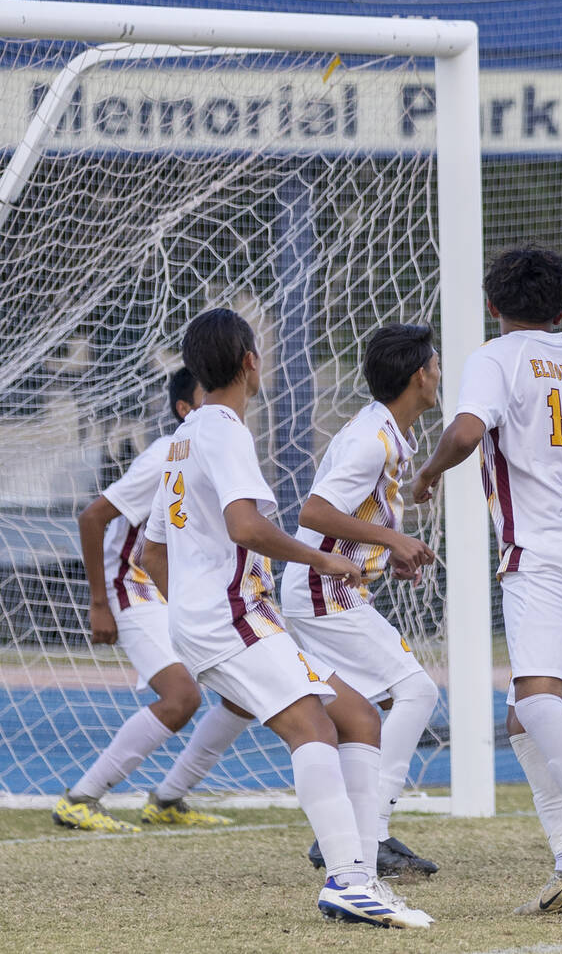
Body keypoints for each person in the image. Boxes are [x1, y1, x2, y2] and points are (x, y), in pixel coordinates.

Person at [140, 309, 431, 929]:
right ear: (251, 361)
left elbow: (151, 552)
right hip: (233, 616)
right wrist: (323, 559)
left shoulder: (184, 437)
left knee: (355, 717)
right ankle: (349, 881)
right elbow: (248, 526)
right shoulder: (225, 431)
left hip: (218, 617)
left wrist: (190, 616)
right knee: (314, 730)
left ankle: (361, 874)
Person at [411, 245, 562, 919]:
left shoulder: (496, 356)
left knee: (537, 702)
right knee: (525, 715)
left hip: (539, 551)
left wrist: (427, 475)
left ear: (492, 304)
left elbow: (464, 429)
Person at [55, 367, 251, 834]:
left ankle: (167, 799)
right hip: (133, 588)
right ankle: (80, 798)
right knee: (182, 696)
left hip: (179, 594)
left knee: (246, 692)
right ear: (186, 409)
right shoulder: (168, 452)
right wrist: (99, 603)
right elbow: (91, 518)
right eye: (210, 395)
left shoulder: (222, 450)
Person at [280, 322, 441, 881]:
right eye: (436, 365)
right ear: (420, 375)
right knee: (415, 691)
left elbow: (355, 515)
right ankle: (368, 829)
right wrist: (395, 539)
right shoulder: (373, 439)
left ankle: (352, 831)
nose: (440, 374)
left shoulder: (387, 432)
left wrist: (383, 551)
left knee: (370, 713)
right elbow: (314, 513)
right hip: (321, 592)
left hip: (335, 588)